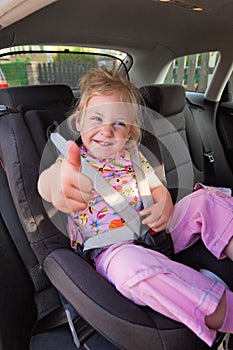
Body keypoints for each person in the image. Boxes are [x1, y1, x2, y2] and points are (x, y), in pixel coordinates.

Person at [38, 67, 233, 346]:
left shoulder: (133, 154)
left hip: (156, 230)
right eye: (96, 119)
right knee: (132, 271)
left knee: (206, 200)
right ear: (79, 122)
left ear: (129, 130)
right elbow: (48, 182)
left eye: (119, 123)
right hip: (113, 249)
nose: (106, 130)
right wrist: (57, 184)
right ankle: (222, 312)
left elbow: (155, 186)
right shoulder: (72, 161)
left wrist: (165, 202)